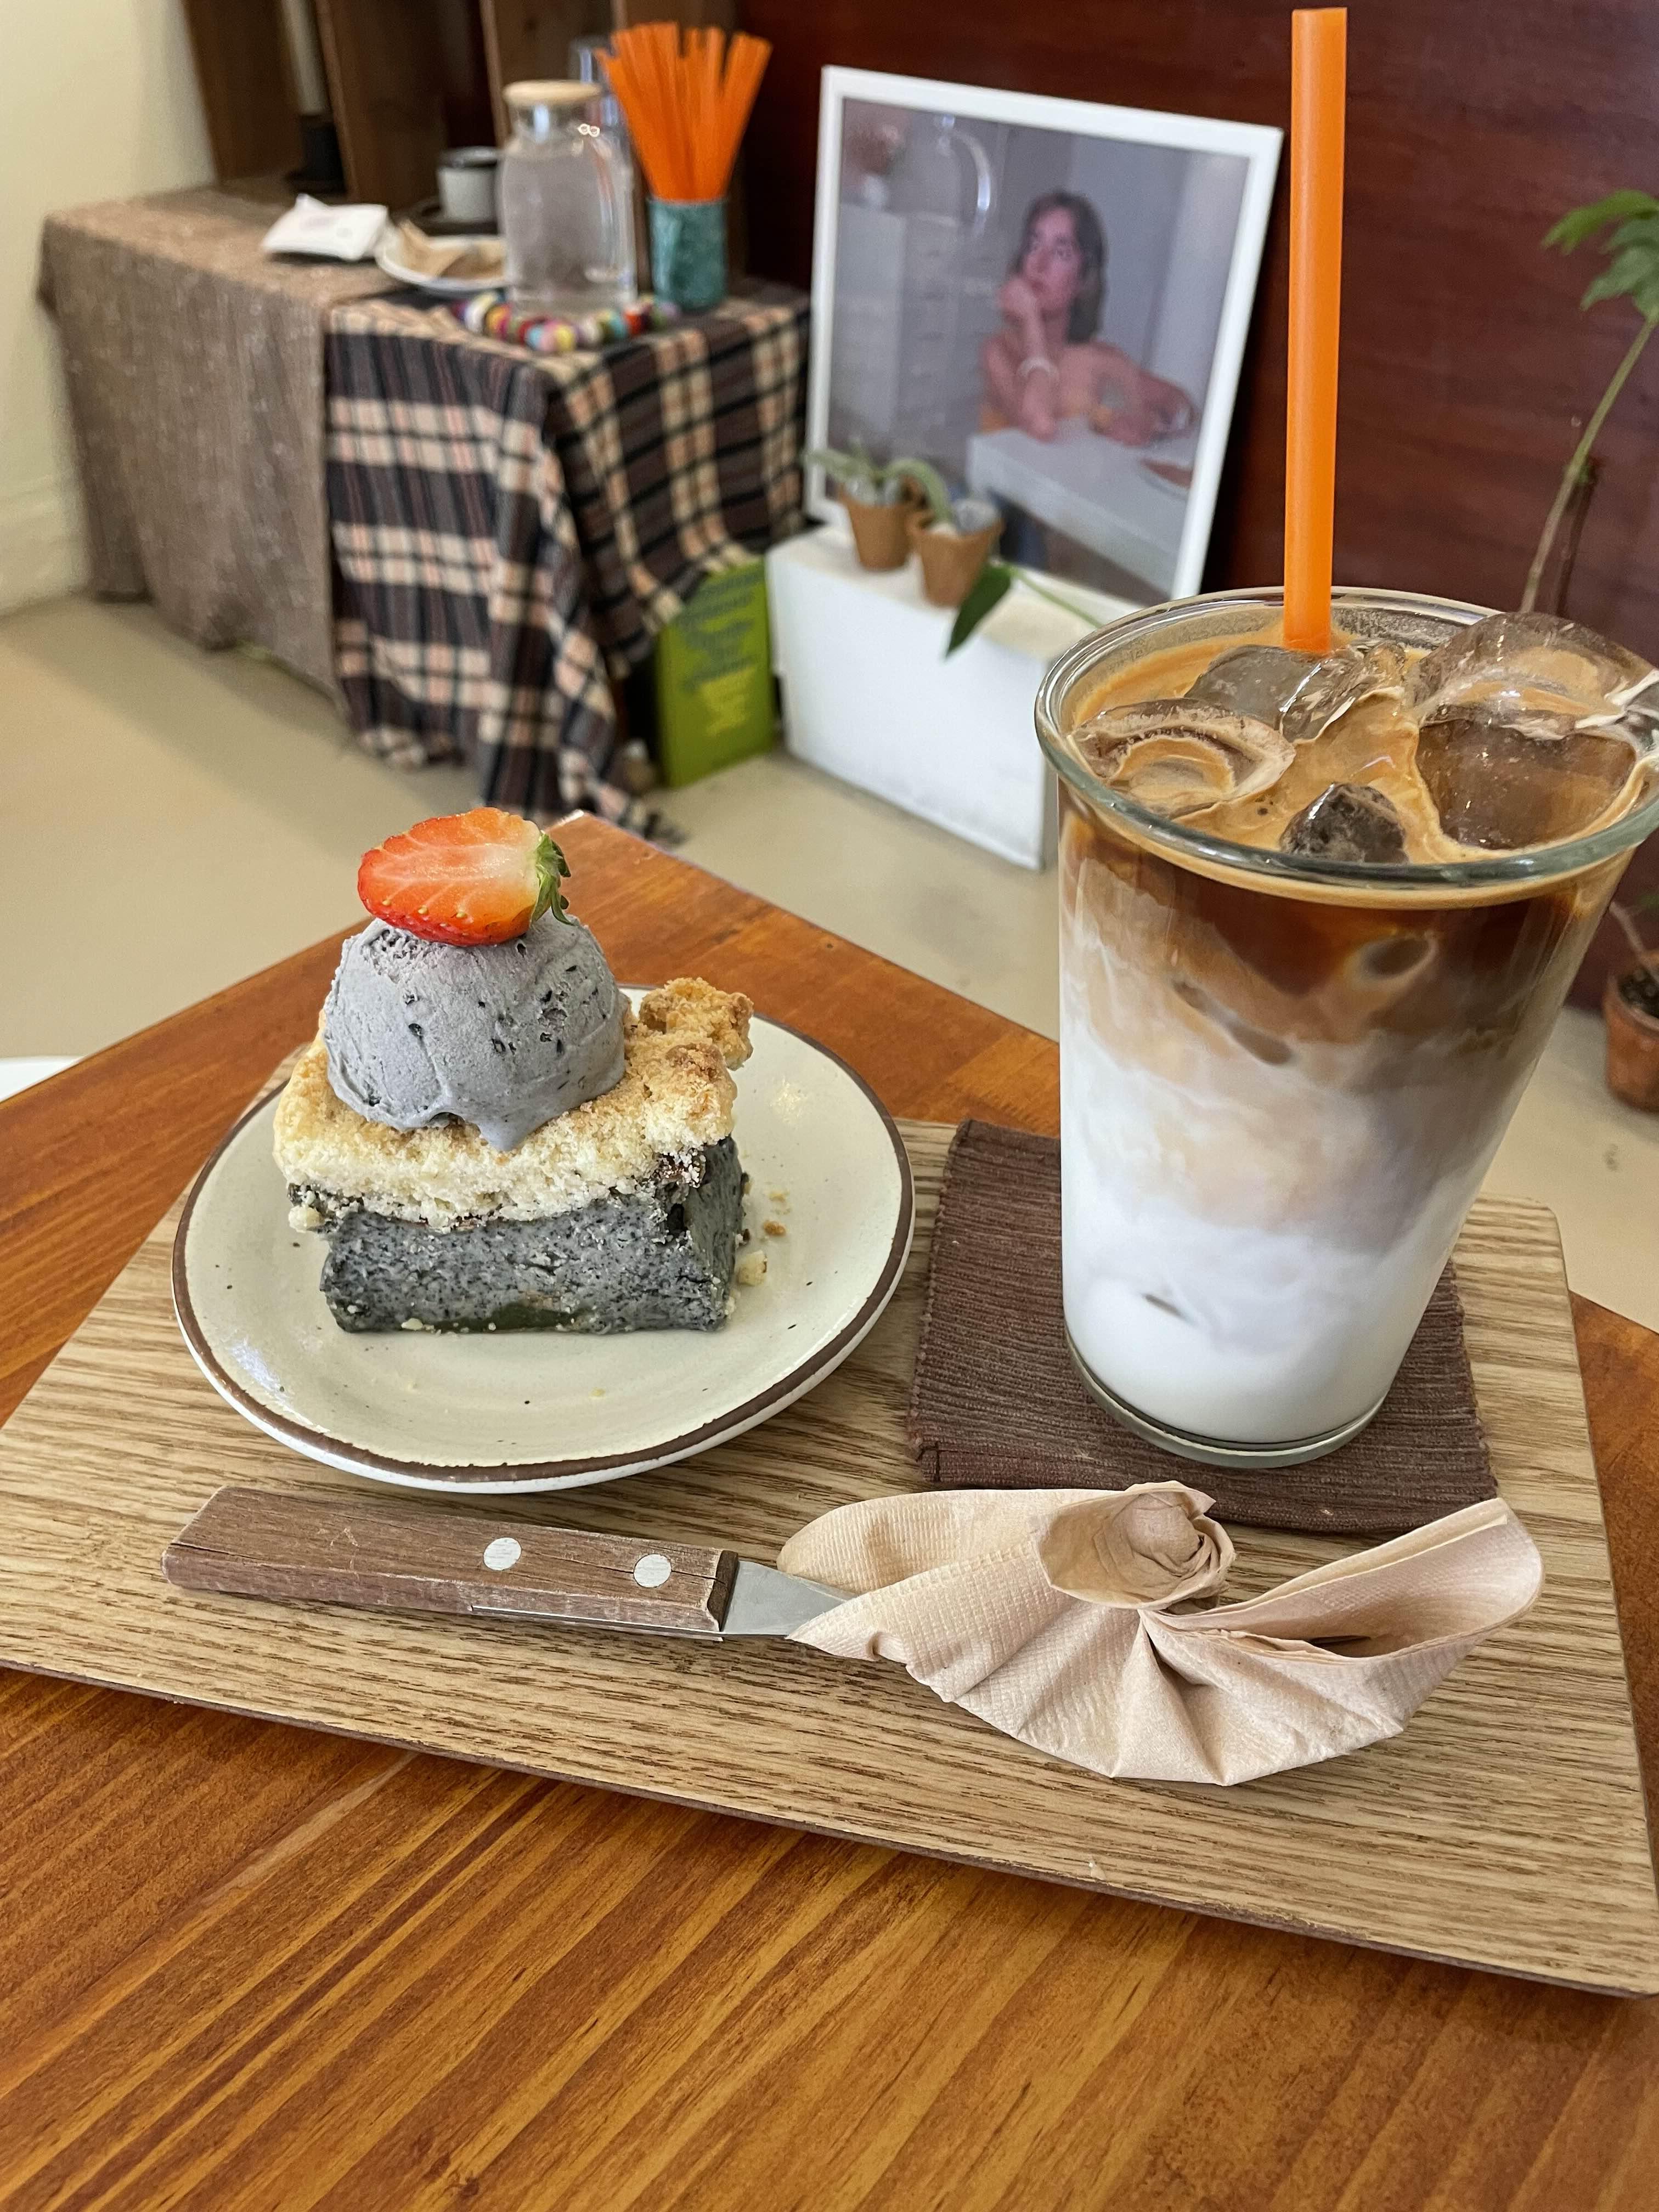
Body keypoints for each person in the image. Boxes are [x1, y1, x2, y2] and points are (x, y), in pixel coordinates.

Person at [981, 192, 1197, 448]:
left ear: (1082, 280)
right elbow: (1040, 426)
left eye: (1061, 253)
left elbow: (1182, 405)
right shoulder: (999, 352)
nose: (1040, 264)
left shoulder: (1099, 360)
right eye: (1033, 245)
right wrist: (1031, 324)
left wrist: (1150, 424)